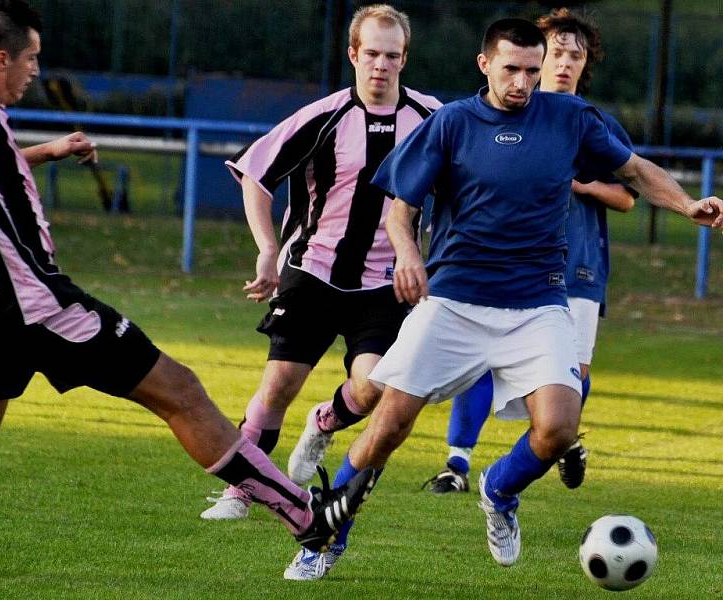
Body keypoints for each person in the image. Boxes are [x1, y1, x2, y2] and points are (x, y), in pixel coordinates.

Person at [0, 0, 375, 556]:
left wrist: (50, 151)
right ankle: (305, 513)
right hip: (31, 305)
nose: (36, 71)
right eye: (32, 59)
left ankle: (300, 512)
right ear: (0, 59)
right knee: (180, 391)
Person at [288, 17, 722, 573]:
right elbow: (401, 207)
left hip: (537, 303)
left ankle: (499, 490)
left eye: (531, 72)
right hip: (454, 300)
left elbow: (634, 171)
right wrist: (409, 254)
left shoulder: (569, 118)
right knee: (389, 423)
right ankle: (325, 538)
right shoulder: (450, 123)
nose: (522, 82)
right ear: (484, 64)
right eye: (511, 69)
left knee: (559, 426)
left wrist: (687, 205)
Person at [200, 3, 439, 530]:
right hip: (313, 270)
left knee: (374, 384)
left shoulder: (430, 119)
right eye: (372, 53)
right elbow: (254, 176)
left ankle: (324, 421)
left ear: (404, 59)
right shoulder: (323, 117)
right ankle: (242, 489)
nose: (381, 65)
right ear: (353, 54)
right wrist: (267, 248)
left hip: (384, 282)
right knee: (279, 383)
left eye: (392, 56)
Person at [423, 8, 637, 496]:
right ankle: (457, 462)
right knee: (479, 361)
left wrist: (581, 184)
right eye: (556, 54)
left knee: (572, 374)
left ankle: (552, 443)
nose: (563, 64)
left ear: (585, 65)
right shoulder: (492, 115)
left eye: (574, 57)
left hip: (575, 267)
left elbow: (628, 193)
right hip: (494, 266)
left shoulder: (591, 123)